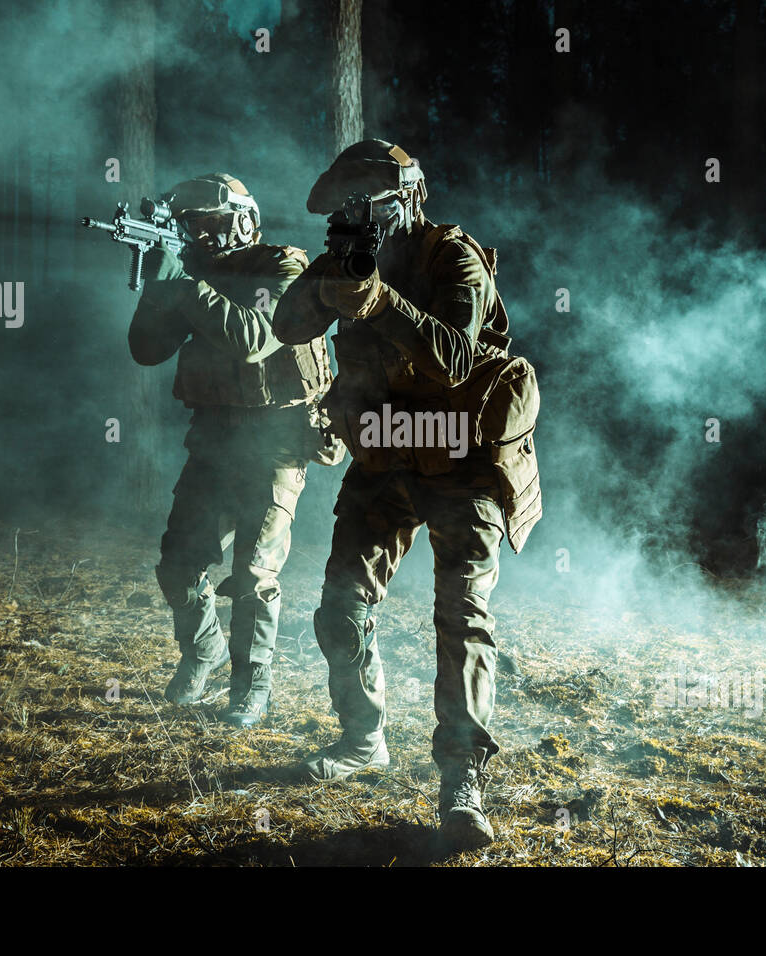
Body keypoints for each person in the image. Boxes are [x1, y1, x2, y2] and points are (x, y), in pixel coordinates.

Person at [272, 141, 542, 849]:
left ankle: (462, 780)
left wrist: (378, 298)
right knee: (340, 606)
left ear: (410, 199)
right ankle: (364, 739)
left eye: (370, 206)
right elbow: (286, 326)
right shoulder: (352, 255)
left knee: (461, 618)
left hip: (460, 458)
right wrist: (332, 274)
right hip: (386, 458)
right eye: (347, 209)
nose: (358, 217)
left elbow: (454, 356)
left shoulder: (451, 258)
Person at [128, 172, 338, 727]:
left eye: (213, 225)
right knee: (179, 565)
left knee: (253, 573)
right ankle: (203, 653)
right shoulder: (194, 272)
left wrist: (186, 281)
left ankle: (252, 684)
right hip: (215, 439)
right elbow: (145, 349)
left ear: (244, 221)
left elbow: (252, 340)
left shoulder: (284, 268)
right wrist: (161, 283)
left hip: (277, 441)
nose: (204, 238)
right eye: (193, 228)